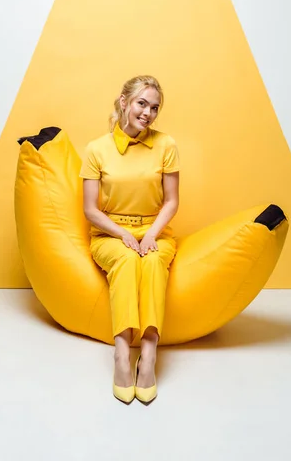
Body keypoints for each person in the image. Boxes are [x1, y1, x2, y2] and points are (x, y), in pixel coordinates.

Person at [80, 75, 180, 404]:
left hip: (155, 230)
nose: (148, 113)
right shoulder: (97, 149)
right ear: (124, 102)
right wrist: (123, 234)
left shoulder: (166, 145)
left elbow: (171, 202)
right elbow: (91, 210)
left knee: (151, 262)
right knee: (125, 259)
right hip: (111, 232)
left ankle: (148, 355)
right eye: (142, 103)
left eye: (154, 107)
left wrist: (150, 235)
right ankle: (122, 355)